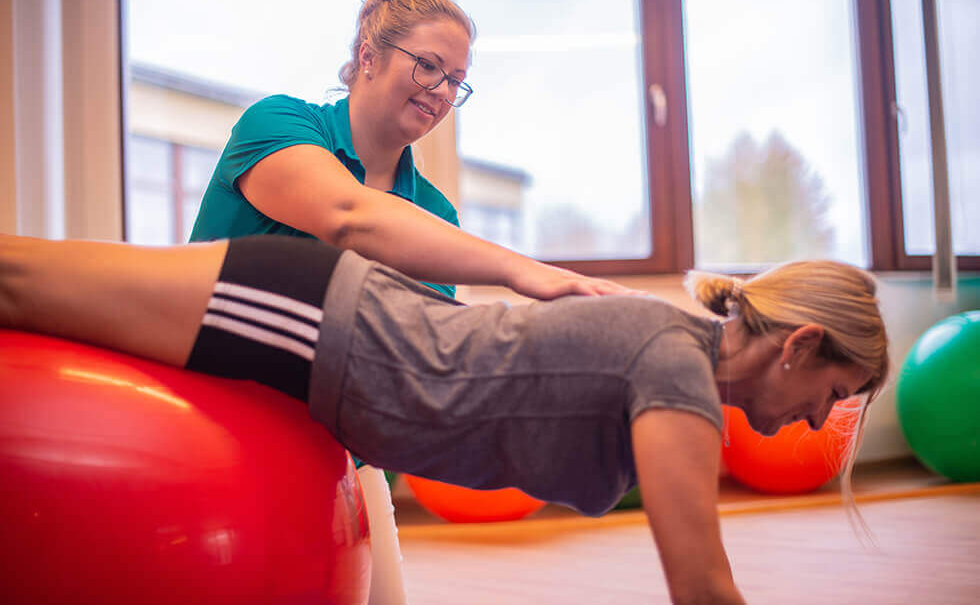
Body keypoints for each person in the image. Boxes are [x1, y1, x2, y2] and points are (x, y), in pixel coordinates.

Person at [0, 233, 889, 605]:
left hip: (333, 332)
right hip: (316, 319)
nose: (824, 418)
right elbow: (700, 587)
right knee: (22, 282)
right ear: (800, 345)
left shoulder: (682, 364)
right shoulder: (679, 366)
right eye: (836, 392)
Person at [188, 0, 632, 302]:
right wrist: (518, 270)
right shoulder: (274, 123)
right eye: (428, 65)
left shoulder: (434, 211)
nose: (442, 90)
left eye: (456, 81)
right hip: (214, 386)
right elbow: (348, 216)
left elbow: (419, 337)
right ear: (368, 55)